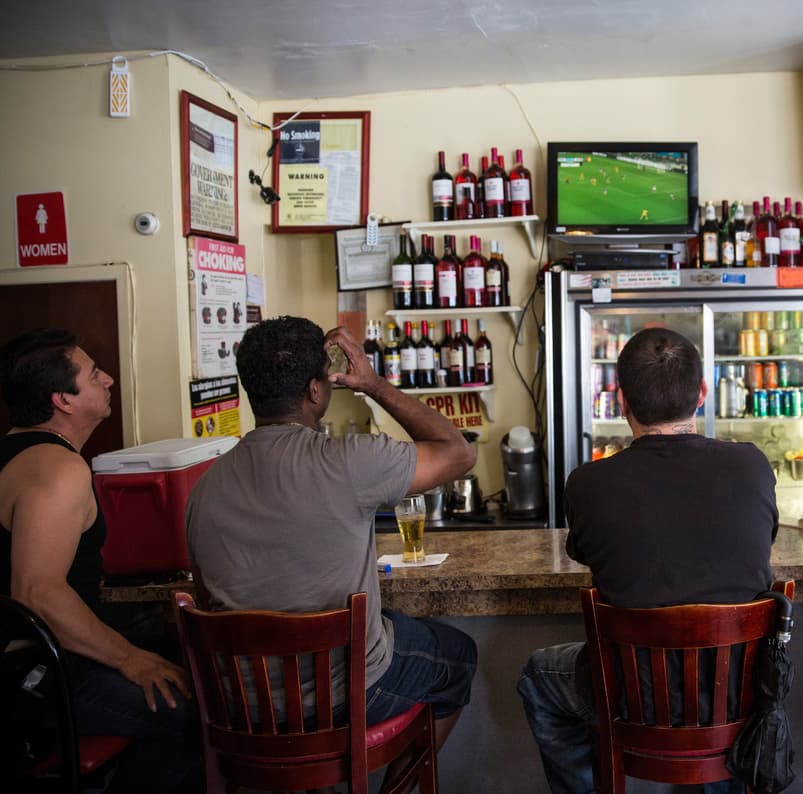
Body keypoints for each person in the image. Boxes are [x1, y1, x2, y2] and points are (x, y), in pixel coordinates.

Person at [185, 316, 477, 746]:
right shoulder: (352, 461)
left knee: (394, 627)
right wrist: (374, 385)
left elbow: (206, 597)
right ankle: (396, 779)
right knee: (458, 655)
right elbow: (458, 453)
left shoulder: (203, 488)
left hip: (244, 709)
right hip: (348, 697)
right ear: (315, 391)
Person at [517, 327, 777, 794]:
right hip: (738, 692)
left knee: (539, 674)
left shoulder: (588, 483)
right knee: (722, 686)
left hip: (632, 700)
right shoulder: (752, 465)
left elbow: (584, 553)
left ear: (621, 401)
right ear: (702, 393)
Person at [0, 328, 199, 791]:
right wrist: (130, 658)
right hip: (31, 676)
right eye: (94, 375)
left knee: (182, 659)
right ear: (63, 400)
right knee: (196, 713)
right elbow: (37, 593)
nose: (108, 379)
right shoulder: (58, 469)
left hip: (44, 659)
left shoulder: (19, 453)